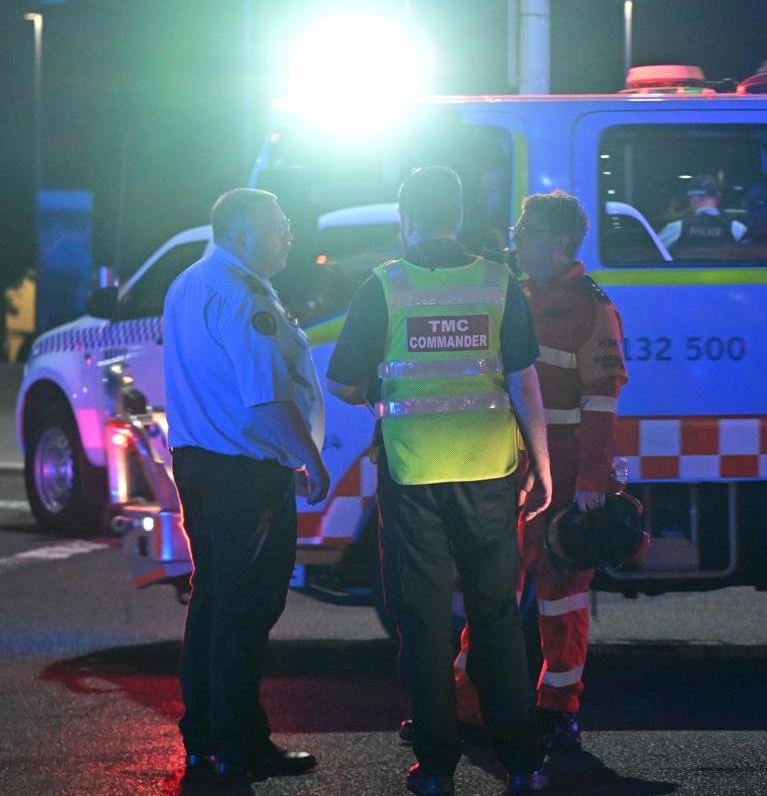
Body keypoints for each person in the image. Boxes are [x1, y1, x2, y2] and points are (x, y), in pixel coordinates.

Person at [326, 166, 552, 795]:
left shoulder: (384, 287)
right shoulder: (497, 282)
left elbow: (342, 382)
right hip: (489, 471)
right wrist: (544, 464)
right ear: (457, 215)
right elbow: (523, 381)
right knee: (498, 619)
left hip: (414, 474)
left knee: (424, 623)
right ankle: (525, 763)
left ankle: (436, 769)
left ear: (406, 217)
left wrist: (384, 393)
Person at [450, 190, 629, 749]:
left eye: (524, 234)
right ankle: (465, 706)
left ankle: (558, 707)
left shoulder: (590, 308)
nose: (515, 241)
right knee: (491, 588)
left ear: (555, 242)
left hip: (566, 473)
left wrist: (594, 485)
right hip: (510, 466)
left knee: (560, 592)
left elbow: (601, 401)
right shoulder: (519, 295)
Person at [163, 188, 327, 786]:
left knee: (213, 603)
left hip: (200, 465)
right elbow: (265, 398)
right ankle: (239, 744)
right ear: (240, 236)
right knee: (246, 609)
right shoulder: (245, 294)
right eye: (277, 226)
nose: (287, 235)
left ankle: (206, 738)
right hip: (245, 473)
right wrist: (309, 457)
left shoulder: (189, 283)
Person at [659, 177, 747, 259]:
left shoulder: (677, 228)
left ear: (694, 199)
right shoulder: (737, 228)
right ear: (718, 198)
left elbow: (654, 252)